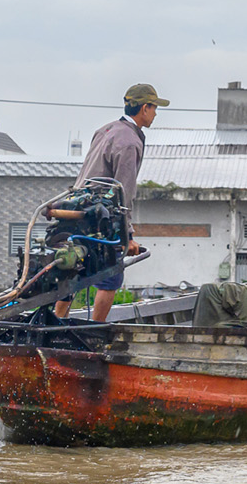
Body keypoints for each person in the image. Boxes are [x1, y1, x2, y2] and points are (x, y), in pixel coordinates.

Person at [55, 83, 168, 321]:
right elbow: (123, 191)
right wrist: (128, 234)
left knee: (72, 269)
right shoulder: (129, 142)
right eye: (155, 108)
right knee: (111, 276)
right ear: (144, 108)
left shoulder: (106, 130)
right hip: (100, 217)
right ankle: (95, 329)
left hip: (78, 207)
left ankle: (58, 320)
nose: (156, 114)